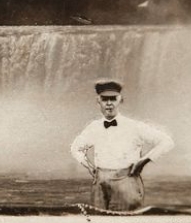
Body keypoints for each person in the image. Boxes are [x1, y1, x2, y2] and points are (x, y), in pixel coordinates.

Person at [70, 79, 174, 211]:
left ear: (120, 100)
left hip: (127, 181)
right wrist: (89, 166)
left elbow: (167, 141)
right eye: (104, 99)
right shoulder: (94, 127)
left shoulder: (134, 126)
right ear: (98, 101)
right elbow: (75, 148)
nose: (109, 104)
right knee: (99, 222)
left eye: (113, 99)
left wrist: (143, 161)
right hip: (100, 183)